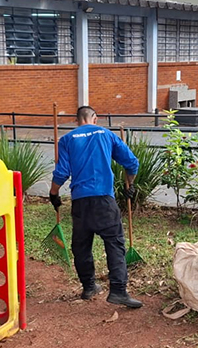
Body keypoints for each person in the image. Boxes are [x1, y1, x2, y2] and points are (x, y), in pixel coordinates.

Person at [49, 106, 143, 308]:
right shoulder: (106, 134)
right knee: (114, 243)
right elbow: (132, 162)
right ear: (95, 119)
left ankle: (89, 287)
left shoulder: (66, 139)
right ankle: (118, 290)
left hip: (80, 202)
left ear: (77, 121)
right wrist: (131, 183)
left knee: (81, 246)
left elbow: (61, 172)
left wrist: (53, 194)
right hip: (103, 200)